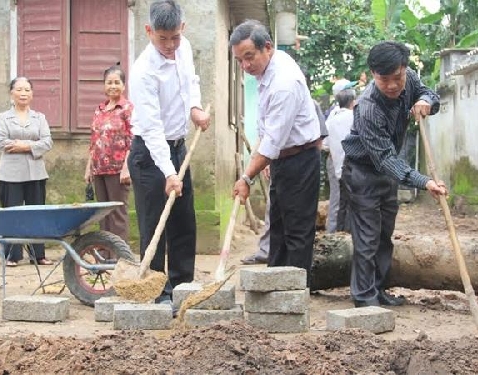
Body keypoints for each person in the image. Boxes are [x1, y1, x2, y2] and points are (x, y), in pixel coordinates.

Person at [341, 41, 447, 308]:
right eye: (383, 79)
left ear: (405, 69)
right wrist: (424, 182)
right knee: (366, 238)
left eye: (396, 78)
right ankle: (364, 300)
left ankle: (378, 291)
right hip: (363, 172)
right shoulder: (367, 108)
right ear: (372, 75)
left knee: (384, 235)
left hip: (386, 173)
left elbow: (430, 94)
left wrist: (425, 101)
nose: (391, 85)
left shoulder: (409, 78)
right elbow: (386, 159)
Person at [128, 0, 210, 305]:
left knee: (183, 223)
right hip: (149, 156)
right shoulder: (142, 71)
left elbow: (190, 82)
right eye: (162, 38)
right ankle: (157, 294)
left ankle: (181, 289)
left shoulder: (183, 48)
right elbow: (150, 128)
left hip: (178, 148)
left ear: (182, 29)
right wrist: (168, 172)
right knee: (155, 226)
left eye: (174, 37)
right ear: (149, 31)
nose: (169, 45)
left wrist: (195, 108)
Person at [230, 20, 322, 288]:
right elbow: (267, 131)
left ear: (267, 48)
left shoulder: (284, 82)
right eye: (239, 61)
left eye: (249, 57)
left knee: (297, 231)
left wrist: (246, 177)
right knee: (278, 228)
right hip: (283, 158)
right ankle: (274, 288)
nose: (245, 66)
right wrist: (270, 161)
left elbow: (272, 140)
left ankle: (294, 294)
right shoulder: (267, 71)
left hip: (300, 160)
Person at [0, 77, 54, 267]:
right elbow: (2, 142)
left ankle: (38, 255)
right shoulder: (3, 118)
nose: (23, 93)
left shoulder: (40, 117)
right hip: (10, 174)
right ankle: (12, 255)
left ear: (32, 94)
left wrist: (23, 146)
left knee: (37, 213)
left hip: (36, 173)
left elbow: (47, 142)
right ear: (12, 93)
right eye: (19, 89)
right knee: (13, 214)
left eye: (27, 90)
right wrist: (32, 145)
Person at [84, 65, 133, 242]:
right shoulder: (100, 109)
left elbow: (132, 140)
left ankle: (120, 256)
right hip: (99, 169)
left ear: (123, 86)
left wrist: (127, 168)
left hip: (118, 170)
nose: (112, 86)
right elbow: (94, 140)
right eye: (109, 82)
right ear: (104, 85)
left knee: (117, 213)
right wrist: (89, 168)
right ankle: (105, 252)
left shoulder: (127, 109)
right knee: (102, 213)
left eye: (116, 82)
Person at [324, 88, 356, 233]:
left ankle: (334, 232)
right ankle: (350, 232)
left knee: (337, 200)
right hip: (352, 167)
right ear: (352, 101)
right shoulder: (354, 117)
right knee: (353, 202)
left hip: (336, 164)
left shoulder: (332, 119)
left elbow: (324, 143)